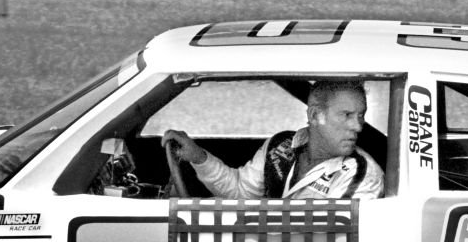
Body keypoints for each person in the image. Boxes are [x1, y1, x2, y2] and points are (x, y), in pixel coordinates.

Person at [161, 80, 384, 199]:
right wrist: (198, 157)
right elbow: (241, 192)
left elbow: (328, 241)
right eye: (346, 116)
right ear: (315, 115)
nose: (357, 126)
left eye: (361, 116)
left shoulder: (362, 175)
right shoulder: (280, 146)